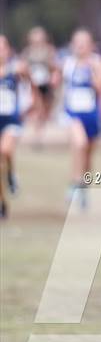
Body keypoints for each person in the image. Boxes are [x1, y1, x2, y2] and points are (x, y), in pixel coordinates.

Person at [62, 29, 101, 209]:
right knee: (79, 144)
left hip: (92, 115)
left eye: (84, 42)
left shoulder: (97, 62)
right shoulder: (68, 63)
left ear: (90, 45)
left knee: (87, 155)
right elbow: (62, 85)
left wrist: (92, 71)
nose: (80, 46)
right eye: (77, 42)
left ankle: (83, 187)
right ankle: (74, 183)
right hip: (73, 113)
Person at [0, 35, 30, 218]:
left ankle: (11, 175)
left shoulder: (16, 69)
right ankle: (2, 203)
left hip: (11, 121)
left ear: (8, 50)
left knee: (5, 151)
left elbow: (30, 85)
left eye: (2, 47)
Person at [22, 26, 59, 145]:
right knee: (37, 107)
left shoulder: (49, 50)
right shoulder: (27, 52)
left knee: (46, 109)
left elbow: (55, 67)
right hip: (33, 85)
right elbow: (24, 67)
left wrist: (54, 77)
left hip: (46, 84)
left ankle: (41, 130)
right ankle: (37, 134)